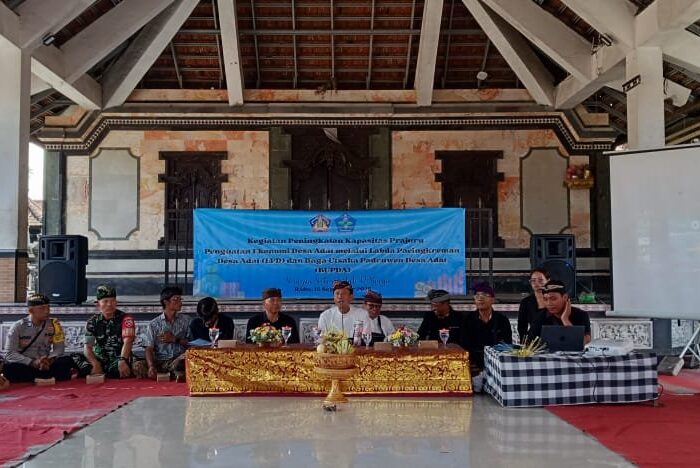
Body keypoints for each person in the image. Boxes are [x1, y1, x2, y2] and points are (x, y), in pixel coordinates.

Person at [2, 293, 73, 382]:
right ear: (31, 311)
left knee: (66, 361)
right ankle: (46, 377)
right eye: (42, 308)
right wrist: (32, 362)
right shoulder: (18, 327)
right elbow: (9, 354)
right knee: (9, 368)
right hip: (27, 364)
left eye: (48, 307)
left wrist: (49, 360)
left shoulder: (54, 325)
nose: (47, 311)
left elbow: (59, 349)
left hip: (46, 364)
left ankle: (37, 377)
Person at [134, 286, 190, 380]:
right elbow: (149, 348)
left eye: (180, 299)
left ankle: (171, 374)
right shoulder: (154, 324)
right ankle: (171, 374)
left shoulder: (186, 321)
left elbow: (191, 343)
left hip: (177, 359)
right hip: (160, 361)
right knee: (138, 366)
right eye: (176, 299)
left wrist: (175, 339)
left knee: (184, 363)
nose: (180, 303)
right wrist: (151, 366)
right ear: (166, 302)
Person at [84, 285, 136, 378]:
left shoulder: (126, 319)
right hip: (100, 359)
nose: (109, 304)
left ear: (116, 302)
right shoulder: (92, 322)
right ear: (98, 304)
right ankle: (97, 369)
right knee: (75, 358)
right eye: (105, 301)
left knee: (118, 369)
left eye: (112, 301)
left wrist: (122, 360)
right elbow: (88, 347)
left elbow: (128, 341)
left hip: (118, 359)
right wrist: (95, 363)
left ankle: (103, 371)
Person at [460, 283, 512, 372]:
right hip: (474, 365)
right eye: (477, 295)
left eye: (484, 295)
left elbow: (507, 344)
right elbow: (464, 344)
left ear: (493, 300)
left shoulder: (502, 319)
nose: (480, 298)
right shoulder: (468, 319)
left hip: (497, 364)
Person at [527, 279, 591, 345]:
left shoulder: (581, 315)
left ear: (565, 297)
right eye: (545, 299)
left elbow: (583, 342)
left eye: (553, 298)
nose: (549, 303)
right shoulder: (540, 316)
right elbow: (528, 343)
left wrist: (565, 319)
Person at [517, 267, 550, 343]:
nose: (536, 283)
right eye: (533, 280)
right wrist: (524, 343)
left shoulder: (553, 299)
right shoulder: (526, 302)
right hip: (533, 341)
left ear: (548, 281)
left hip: (552, 338)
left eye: (540, 280)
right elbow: (522, 326)